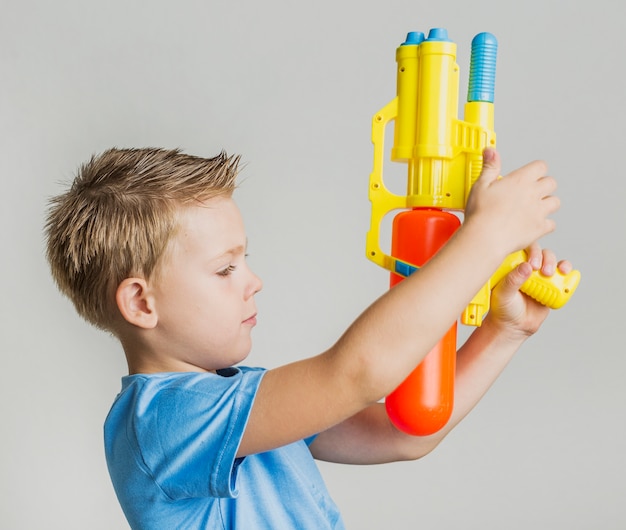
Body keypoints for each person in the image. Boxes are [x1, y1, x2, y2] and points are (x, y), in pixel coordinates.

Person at [45, 146, 572, 529]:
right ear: (141, 302)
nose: (253, 280)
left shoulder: (242, 403)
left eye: (245, 260)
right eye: (225, 269)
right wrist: (487, 235)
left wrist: (504, 332)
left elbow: (407, 433)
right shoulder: (162, 422)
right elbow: (358, 373)